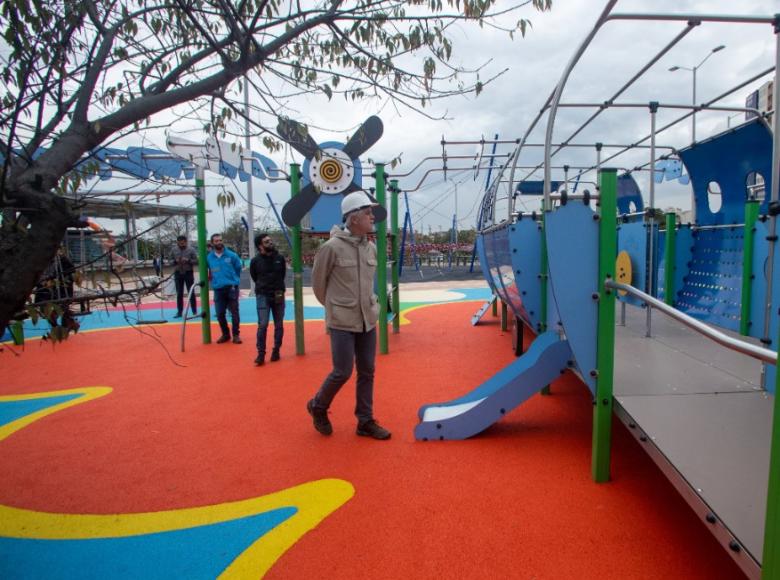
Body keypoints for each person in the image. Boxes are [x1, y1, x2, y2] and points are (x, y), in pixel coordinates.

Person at [306, 191, 391, 440]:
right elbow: (319, 286)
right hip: (342, 321)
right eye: (367, 212)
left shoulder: (371, 248)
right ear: (354, 218)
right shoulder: (330, 248)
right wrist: (338, 308)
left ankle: (365, 421)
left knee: (367, 371)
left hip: (367, 319)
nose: (372, 216)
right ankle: (318, 406)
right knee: (342, 371)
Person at [249, 233, 286, 366]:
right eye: (266, 242)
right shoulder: (255, 261)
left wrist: (279, 287)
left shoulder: (280, 258)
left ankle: (276, 349)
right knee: (263, 324)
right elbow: (254, 276)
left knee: (279, 324)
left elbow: (282, 274)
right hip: (263, 295)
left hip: (278, 293)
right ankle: (261, 353)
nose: (270, 243)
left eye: (270, 240)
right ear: (260, 246)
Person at [34, 245, 80, 334]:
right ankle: (59, 326)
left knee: (62, 307)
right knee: (47, 311)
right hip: (45, 292)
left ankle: (67, 325)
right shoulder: (42, 261)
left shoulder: (62, 260)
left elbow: (71, 276)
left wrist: (57, 281)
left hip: (61, 291)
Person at [206, 233, 243, 344]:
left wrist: (233, 280)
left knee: (234, 312)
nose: (219, 242)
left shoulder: (231, 255)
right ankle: (225, 334)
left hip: (231, 287)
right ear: (212, 243)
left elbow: (238, 268)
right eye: (216, 241)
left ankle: (236, 335)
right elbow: (209, 271)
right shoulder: (209, 258)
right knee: (220, 313)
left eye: (220, 240)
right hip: (218, 289)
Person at [171, 235, 198, 318]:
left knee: (191, 292)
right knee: (179, 293)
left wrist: (188, 260)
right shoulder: (173, 250)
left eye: (183, 243)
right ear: (177, 242)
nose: (181, 244)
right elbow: (169, 261)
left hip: (188, 272)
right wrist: (175, 261)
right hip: (178, 273)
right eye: (180, 243)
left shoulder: (191, 250)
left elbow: (197, 261)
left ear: (186, 242)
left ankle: (194, 311)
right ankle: (179, 312)